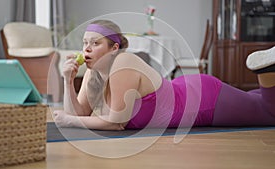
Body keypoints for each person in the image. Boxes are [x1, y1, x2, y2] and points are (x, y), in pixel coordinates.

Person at [53, 19, 275, 130]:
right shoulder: (94, 73)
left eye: (95, 43)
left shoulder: (122, 62)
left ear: (114, 48)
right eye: (85, 43)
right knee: (255, 100)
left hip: (202, 101)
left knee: (267, 115)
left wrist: (71, 120)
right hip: (187, 89)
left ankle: (265, 70)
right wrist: (68, 79)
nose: (87, 48)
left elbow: (116, 123)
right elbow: (79, 112)